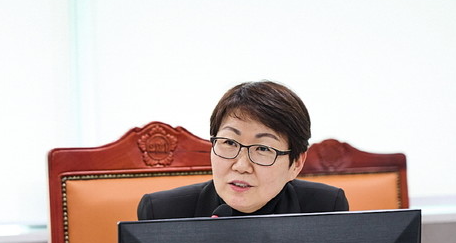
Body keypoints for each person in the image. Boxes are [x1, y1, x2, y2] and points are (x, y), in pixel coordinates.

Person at [137, 80, 349, 220]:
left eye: (263, 148)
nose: (241, 166)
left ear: (296, 164)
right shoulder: (162, 212)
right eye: (230, 143)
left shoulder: (325, 208)